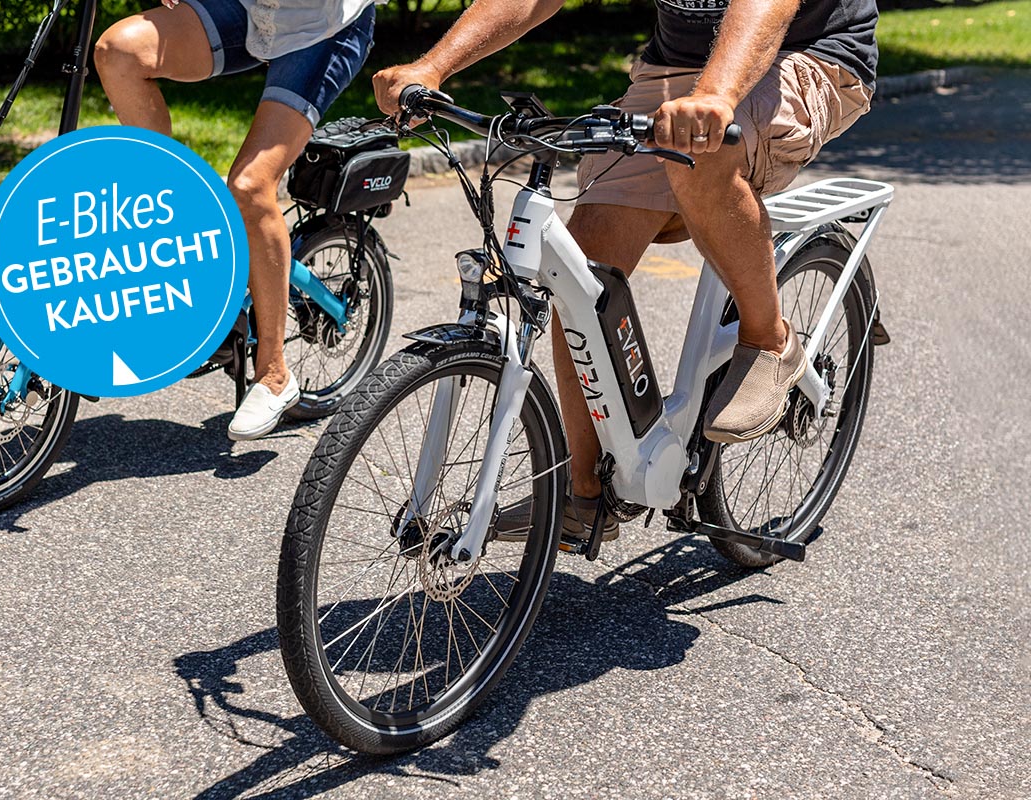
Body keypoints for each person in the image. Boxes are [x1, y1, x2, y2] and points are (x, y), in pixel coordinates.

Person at [374, 0, 876, 541]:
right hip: (675, 70)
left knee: (704, 154)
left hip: (801, 56)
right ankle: (585, 495)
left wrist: (717, 93)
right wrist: (435, 65)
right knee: (580, 267)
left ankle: (769, 338)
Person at [94, 0, 376, 440]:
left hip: (320, 28)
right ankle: (179, 233)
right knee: (118, 52)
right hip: (250, 9)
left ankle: (274, 373)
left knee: (249, 187)